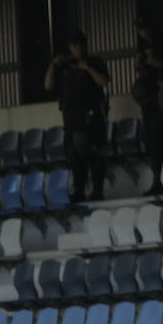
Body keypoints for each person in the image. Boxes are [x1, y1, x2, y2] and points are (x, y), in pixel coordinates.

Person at [44, 30, 109, 202]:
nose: (78, 47)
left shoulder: (95, 62)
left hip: (92, 115)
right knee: (74, 153)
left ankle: (97, 190)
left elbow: (104, 82)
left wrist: (87, 68)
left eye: (81, 44)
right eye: (74, 45)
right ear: (70, 47)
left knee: (95, 153)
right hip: (71, 117)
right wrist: (53, 65)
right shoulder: (65, 66)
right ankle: (79, 189)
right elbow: (48, 85)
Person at [133, 17, 163, 195]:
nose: (143, 32)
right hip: (148, 101)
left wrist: (154, 63)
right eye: (140, 29)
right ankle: (157, 180)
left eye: (145, 27)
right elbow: (138, 69)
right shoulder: (141, 47)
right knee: (151, 142)